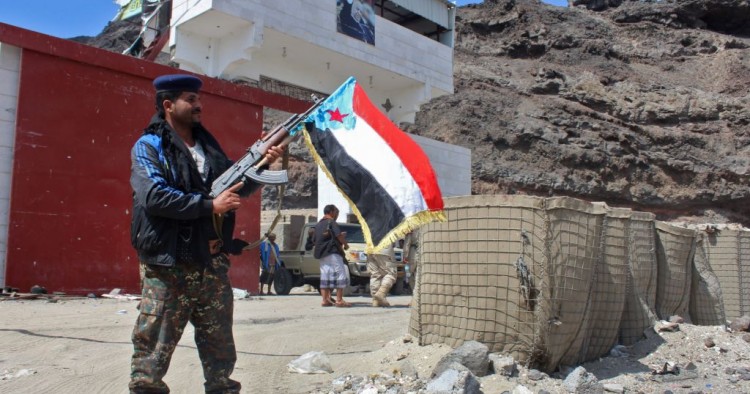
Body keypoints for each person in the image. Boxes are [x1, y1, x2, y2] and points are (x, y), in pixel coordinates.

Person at [128, 73, 284, 393]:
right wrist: (210, 206)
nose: (199, 105)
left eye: (199, 99)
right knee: (154, 346)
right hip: (168, 264)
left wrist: (267, 164)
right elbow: (154, 196)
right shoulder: (149, 146)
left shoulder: (207, 149)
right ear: (169, 105)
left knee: (219, 346)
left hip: (210, 263)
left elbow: (237, 187)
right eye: (191, 99)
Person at [313, 204, 352, 307]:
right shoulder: (331, 222)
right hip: (332, 252)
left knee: (325, 275)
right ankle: (339, 300)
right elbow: (339, 236)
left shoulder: (318, 225)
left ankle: (325, 300)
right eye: (336, 212)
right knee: (340, 273)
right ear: (330, 212)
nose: (336, 214)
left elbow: (314, 240)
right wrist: (346, 244)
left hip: (321, 253)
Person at [367, 243, 397, 307]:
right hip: (385, 251)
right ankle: (381, 293)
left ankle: (375, 300)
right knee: (391, 273)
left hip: (370, 249)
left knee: (375, 275)